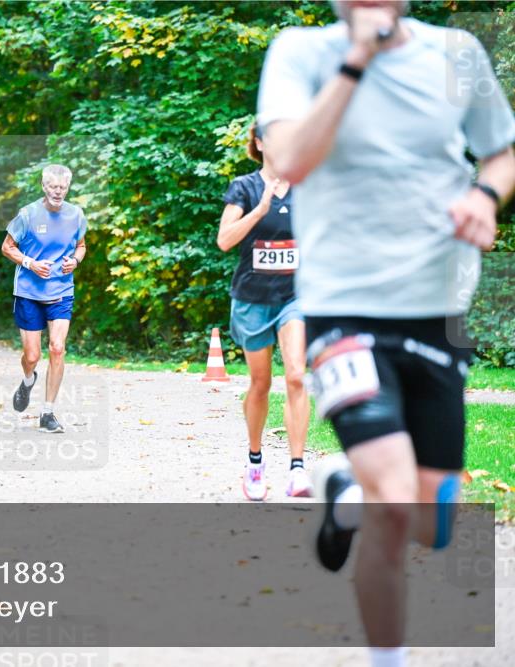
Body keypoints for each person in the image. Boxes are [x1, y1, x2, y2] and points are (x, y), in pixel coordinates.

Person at [258, 1, 514, 664]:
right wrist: (356, 61)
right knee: (396, 505)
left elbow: (500, 155)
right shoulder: (300, 53)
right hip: (345, 307)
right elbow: (290, 158)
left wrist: (485, 198)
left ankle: (346, 490)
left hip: (437, 312)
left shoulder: (457, 54)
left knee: (431, 522)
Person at [218, 122, 312, 501]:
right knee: (261, 383)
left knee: (296, 375)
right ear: (259, 142)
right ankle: (255, 462)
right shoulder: (244, 187)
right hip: (253, 298)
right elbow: (225, 240)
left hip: (295, 297)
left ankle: (298, 469)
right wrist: (259, 210)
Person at [1, 164, 87, 433]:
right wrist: (29, 263)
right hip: (29, 292)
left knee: (58, 348)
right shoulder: (27, 214)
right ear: (44, 186)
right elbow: (7, 247)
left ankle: (47, 413)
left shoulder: (76, 215)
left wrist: (74, 260)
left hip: (61, 290)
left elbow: (81, 246)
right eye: (53, 186)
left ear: (68, 188)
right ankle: (28, 381)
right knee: (32, 355)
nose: (58, 191)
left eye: (63, 187)